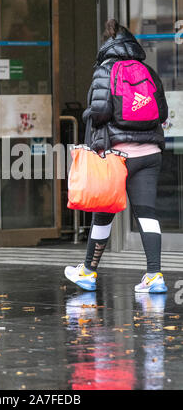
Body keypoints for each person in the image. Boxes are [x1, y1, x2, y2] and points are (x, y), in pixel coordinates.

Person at [65, 19, 168, 294]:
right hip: (150, 154)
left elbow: (99, 113)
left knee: (104, 213)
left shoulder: (104, 71)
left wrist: (87, 113)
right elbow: (163, 112)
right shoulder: (147, 70)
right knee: (147, 214)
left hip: (116, 157)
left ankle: (88, 271)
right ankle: (154, 275)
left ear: (106, 44)